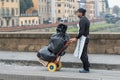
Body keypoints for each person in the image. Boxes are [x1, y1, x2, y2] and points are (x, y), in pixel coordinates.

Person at [70, 8, 90, 73]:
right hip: (86, 38)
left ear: (81, 13)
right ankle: (87, 64)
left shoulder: (82, 20)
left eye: (78, 12)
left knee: (82, 54)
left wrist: (76, 38)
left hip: (83, 39)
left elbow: (81, 31)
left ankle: (86, 68)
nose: (77, 13)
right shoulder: (86, 19)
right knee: (84, 53)